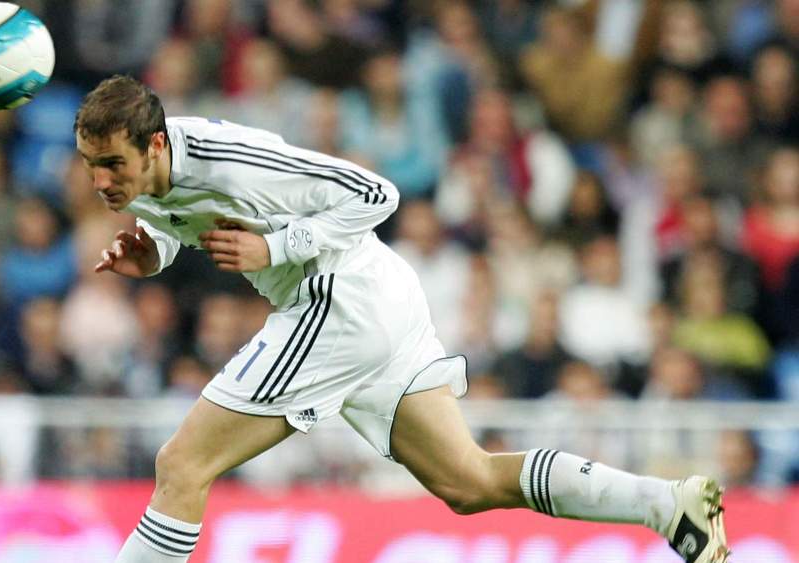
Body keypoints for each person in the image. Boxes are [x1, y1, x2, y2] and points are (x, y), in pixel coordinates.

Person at [74, 76, 729, 563]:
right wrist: (152, 252)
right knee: (468, 480)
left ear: (155, 143)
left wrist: (276, 248)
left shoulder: (229, 155)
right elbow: (180, 220)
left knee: (182, 464)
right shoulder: (148, 180)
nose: (101, 181)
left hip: (339, 303)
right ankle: (665, 502)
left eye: (112, 164)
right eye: (91, 165)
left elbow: (375, 192)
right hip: (374, 303)